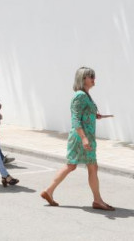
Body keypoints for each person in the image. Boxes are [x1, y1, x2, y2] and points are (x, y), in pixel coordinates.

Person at [40, 67, 114, 210]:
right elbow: (75, 119)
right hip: (82, 136)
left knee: (75, 165)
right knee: (88, 166)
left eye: (93, 76)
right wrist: (84, 138)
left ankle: (49, 191)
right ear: (83, 79)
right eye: (91, 76)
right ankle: (97, 200)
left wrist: (94, 115)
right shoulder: (80, 96)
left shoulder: (85, 95)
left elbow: (83, 114)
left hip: (84, 136)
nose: (94, 79)